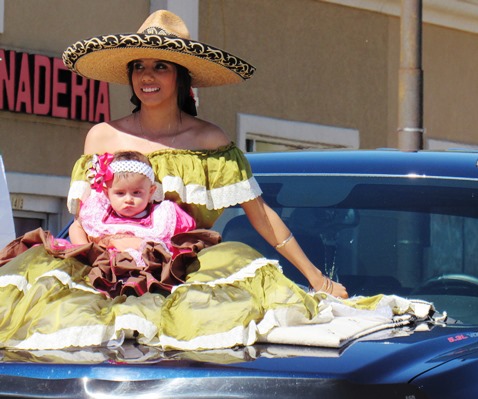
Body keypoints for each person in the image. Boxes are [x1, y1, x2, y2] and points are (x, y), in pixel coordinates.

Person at [0, 10, 348, 351]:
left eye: (160, 66)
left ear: (182, 76)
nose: (147, 76)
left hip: (186, 276)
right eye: (139, 66)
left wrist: (317, 278)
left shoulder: (210, 142)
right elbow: (86, 219)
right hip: (105, 272)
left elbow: (260, 214)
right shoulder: (102, 137)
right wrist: (105, 257)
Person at [68, 150, 206, 297]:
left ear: (151, 191)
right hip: (101, 273)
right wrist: (86, 253)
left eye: (136, 193)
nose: (128, 199)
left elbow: (181, 244)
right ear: (107, 192)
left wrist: (144, 246)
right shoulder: (98, 213)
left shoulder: (163, 215)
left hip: (147, 277)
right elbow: (76, 227)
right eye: (120, 193)